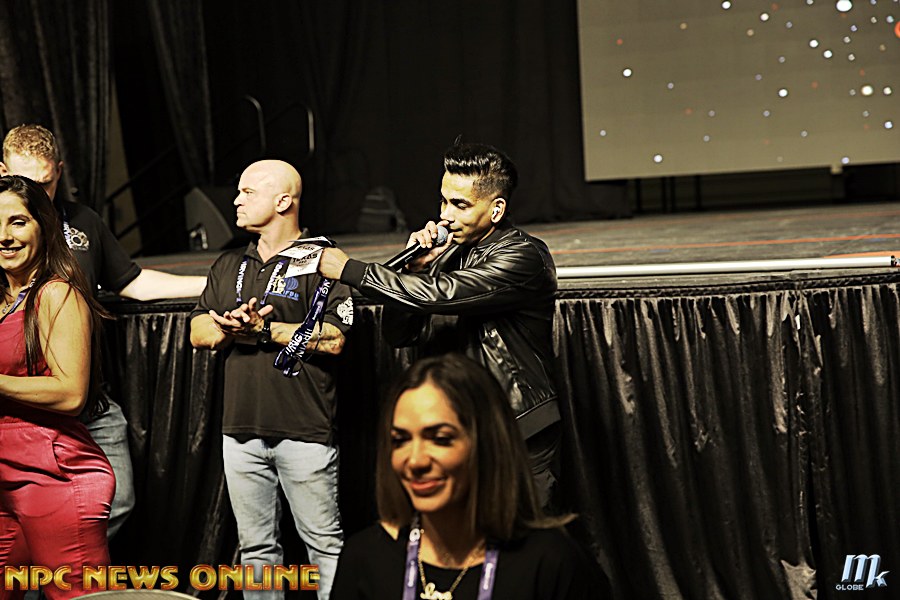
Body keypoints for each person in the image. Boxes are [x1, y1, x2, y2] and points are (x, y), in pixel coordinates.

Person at [317, 142, 561, 507]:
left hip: (515, 424)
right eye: (444, 202)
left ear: (496, 209)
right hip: (459, 422)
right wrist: (415, 268)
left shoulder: (523, 255)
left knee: (521, 533)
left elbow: (443, 294)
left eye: (460, 205)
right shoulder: (448, 257)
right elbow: (401, 334)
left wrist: (351, 270)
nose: (445, 216)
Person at [1, 124, 208, 539]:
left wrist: (215, 284)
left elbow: (133, 281)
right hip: (19, 408)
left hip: (87, 401)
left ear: (60, 172)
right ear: (3, 172)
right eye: (27, 184)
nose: (40, 195)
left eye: (47, 183)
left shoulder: (83, 222)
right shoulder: (6, 235)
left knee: (117, 500)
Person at [190, 159, 354, 600]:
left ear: (283, 202)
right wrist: (230, 325)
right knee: (256, 550)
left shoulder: (323, 260)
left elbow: (336, 338)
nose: (235, 200)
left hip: (304, 431)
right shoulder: (230, 263)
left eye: (248, 192)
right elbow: (198, 331)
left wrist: (265, 330)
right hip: (240, 434)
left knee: (325, 547)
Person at [331, 353, 594, 599]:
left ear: (487, 445)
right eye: (400, 440)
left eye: (440, 439)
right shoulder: (365, 558)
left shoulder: (551, 563)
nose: (415, 460)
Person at [0, 175, 115, 599]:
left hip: (54, 475)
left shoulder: (55, 294)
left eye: (17, 222)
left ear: (43, 226)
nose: (3, 236)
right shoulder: (3, 300)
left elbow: (70, 394)